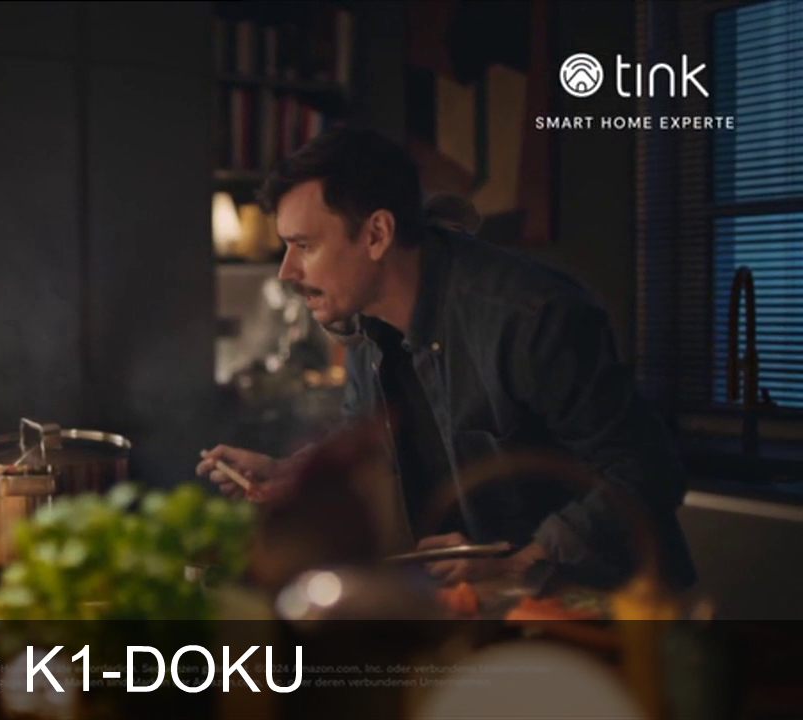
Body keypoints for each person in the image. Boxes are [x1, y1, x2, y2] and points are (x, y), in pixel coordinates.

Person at [197, 127, 697, 590]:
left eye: (304, 245)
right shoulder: (367, 326)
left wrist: (523, 561)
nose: (287, 271)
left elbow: (647, 469)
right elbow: (364, 439)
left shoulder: (528, 317)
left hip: (615, 608)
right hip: (498, 604)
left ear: (377, 234)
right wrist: (291, 474)